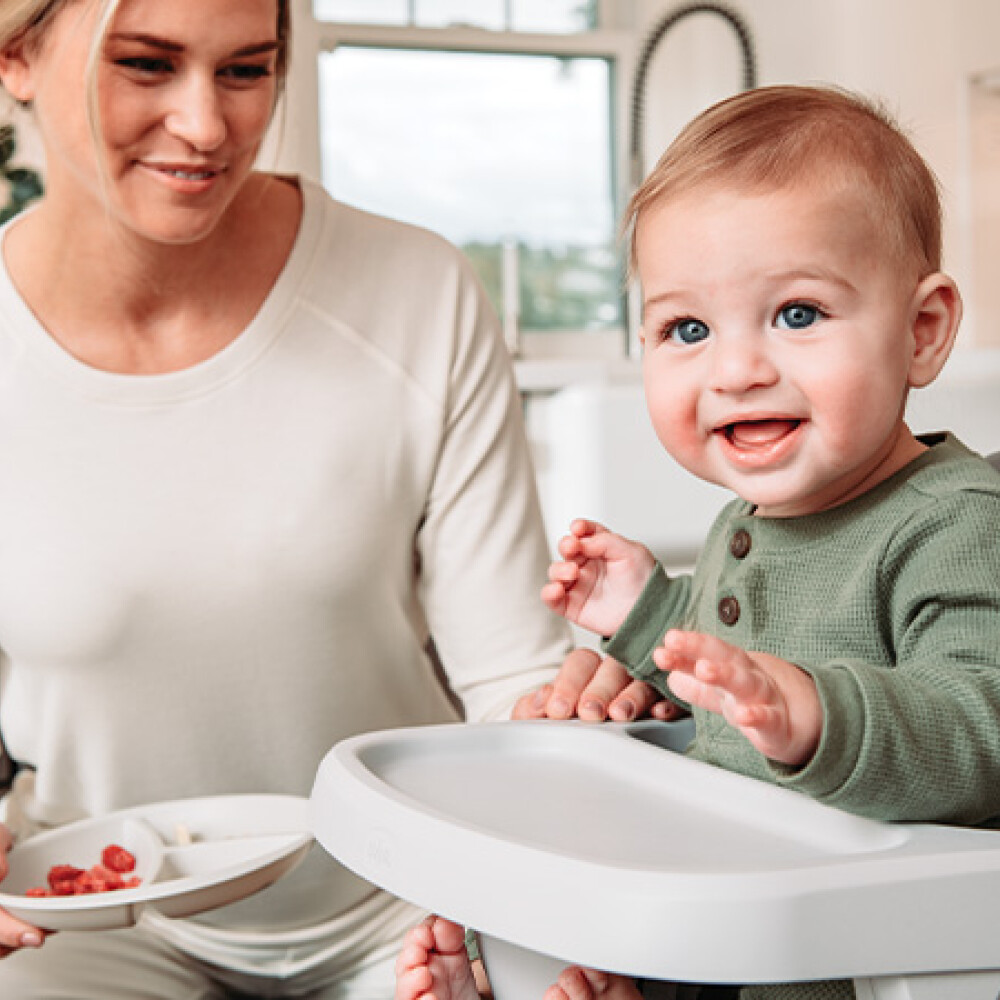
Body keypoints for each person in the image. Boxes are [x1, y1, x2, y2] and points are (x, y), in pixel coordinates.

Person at [0, 0, 672, 996]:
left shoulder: (416, 289)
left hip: (413, 893)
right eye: (146, 65)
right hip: (99, 913)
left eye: (245, 70)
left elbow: (508, 680)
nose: (206, 126)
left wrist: (586, 710)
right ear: (16, 57)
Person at [393, 85, 1000, 1000]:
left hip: (868, 966)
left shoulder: (956, 524)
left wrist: (819, 719)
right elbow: (733, 681)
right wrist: (650, 619)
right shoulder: (745, 525)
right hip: (731, 934)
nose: (737, 370)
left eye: (797, 313)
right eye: (687, 328)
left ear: (922, 333)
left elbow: (978, 719)